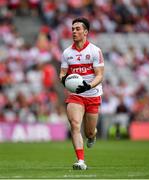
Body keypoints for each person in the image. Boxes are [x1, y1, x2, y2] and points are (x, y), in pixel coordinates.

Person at [59, 17, 104, 170]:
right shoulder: (67, 53)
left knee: (89, 131)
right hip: (75, 94)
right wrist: (64, 80)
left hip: (92, 93)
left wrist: (88, 85)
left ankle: (92, 135)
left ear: (86, 32)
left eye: (77, 29)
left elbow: (99, 75)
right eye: (72, 29)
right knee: (75, 125)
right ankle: (81, 161)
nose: (74, 31)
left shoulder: (95, 50)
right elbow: (62, 73)